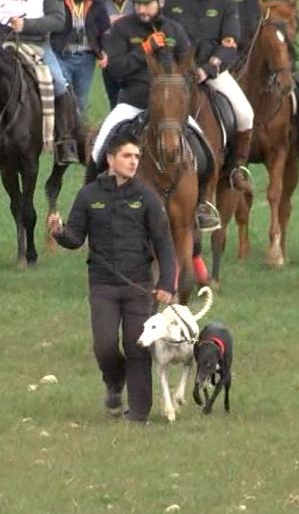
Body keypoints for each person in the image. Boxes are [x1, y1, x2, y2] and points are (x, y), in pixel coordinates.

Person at [47, 133, 176, 424]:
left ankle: (139, 413)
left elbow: (164, 243)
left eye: (136, 157)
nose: (133, 162)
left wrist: (167, 282)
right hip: (103, 284)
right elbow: (76, 237)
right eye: (127, 156)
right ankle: (114, 383)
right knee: (104, 346)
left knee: (136, 345)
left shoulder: (146, 197)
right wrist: (60, 231)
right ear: (110, 159)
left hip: (139, 285)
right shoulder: (89, 196)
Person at [92, 0, 216, 231]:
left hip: (170, 109)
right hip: (132, 102)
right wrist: (143, 50)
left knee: (205, 149)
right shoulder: (121, 29)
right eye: (137, 4)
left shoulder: (174, 30)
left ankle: (202, 204)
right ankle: (93, 202)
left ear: (159, 2)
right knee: (99, 147)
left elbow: (188, 69)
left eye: (147, 4)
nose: (141, 9)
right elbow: (115, 69)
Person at [165, 0, 256, 230]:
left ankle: (236, 167)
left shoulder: (225, 1)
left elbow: (229, 43)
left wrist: (207, 69)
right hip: (175, 72)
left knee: (246, 113)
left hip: (212, 72)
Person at [0, 0, 81, 165]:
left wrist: (26, 25)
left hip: (35, 43)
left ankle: (64, 141)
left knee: (59, 82)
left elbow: (58, 19)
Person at [227, 0, 299, 161]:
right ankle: (224, 148)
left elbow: (294, 19)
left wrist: (286, 36)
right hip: (238, 56)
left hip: (276, 56)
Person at [52, 0, 101, 118]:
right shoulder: (59, 1)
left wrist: (103, 51)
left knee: (81, 100)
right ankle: (63, 128)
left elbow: (104, 29)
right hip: (63, 56)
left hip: (86, 59)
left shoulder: (96, 3)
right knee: (64, 94)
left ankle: (81, 132)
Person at [94, 0, 135, 108]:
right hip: (110, 62)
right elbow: (92, 29)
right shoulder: (100, 2)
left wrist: (125, 21)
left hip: (134, 60)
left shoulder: (139, 0)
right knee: (115, 102)